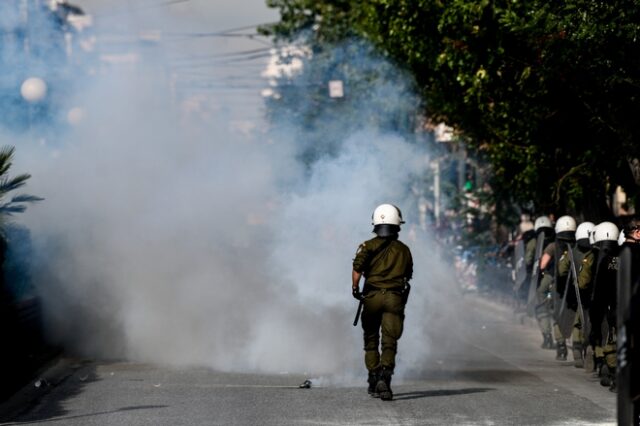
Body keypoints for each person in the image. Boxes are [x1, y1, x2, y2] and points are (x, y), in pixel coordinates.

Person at [352, 204, 413, 401]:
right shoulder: (404, 250)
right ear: (397, 225)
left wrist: (355, 289)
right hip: (394, 298)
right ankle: (385, 379)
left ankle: (373, 377)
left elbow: (357, 270)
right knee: (390, 341)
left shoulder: (367, 246)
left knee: (371, 340)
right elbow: (408, 275)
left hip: (372, 298)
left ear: (376, 224)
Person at [557, 221, 595, 368]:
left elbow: (561, 270)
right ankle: (586, 350)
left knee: (578, 322)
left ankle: (578, 350)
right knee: (587, 321)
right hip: (590, 294)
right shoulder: (595, 253)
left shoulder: (571, 252)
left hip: (579, 293)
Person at [589, 221, 620, 391]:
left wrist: (595, 316)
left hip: (612, 311)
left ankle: (616, 377)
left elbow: (598, 292)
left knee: (610, 346)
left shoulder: (603, 261)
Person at [540, 215, 576, 360]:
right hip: (575, 284)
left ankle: (561, 347)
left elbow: (542, 265)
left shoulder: (553, 246)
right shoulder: (577, 245)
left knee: (557, 314)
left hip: (557, 284)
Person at [533, 215, 556, 349]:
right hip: (560, 279)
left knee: (541, 307)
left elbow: (540, 265)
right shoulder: (557, 242)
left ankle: (547, 336)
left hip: (546, 278)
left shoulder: (536, 243)